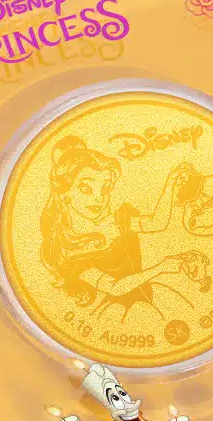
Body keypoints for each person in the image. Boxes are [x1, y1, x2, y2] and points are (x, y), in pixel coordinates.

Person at [39, 136, 200, 322]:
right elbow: (114, 287)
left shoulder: (117, 220)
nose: (99, 198)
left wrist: (171, 183)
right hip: (118, 313)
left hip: (147, 297)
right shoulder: (71, 256)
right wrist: (161, 268)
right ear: (63, 193)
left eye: (104, 189)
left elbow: (156, 223)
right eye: (86, 188)